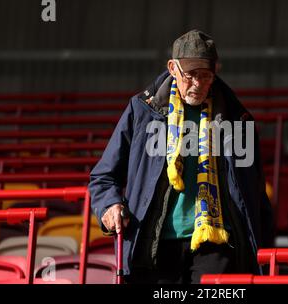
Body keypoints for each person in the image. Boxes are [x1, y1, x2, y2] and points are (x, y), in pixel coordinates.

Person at [89, 29, 274, 284]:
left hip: (217, 245)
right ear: (172, 68)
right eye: (191, 75)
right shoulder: (142, 112)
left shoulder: (237, 120)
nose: (198, 83)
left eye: (206, 76)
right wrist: (108, 206)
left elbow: (254, 194)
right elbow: (103, 176)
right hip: (154, 244)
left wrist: (263, 250)